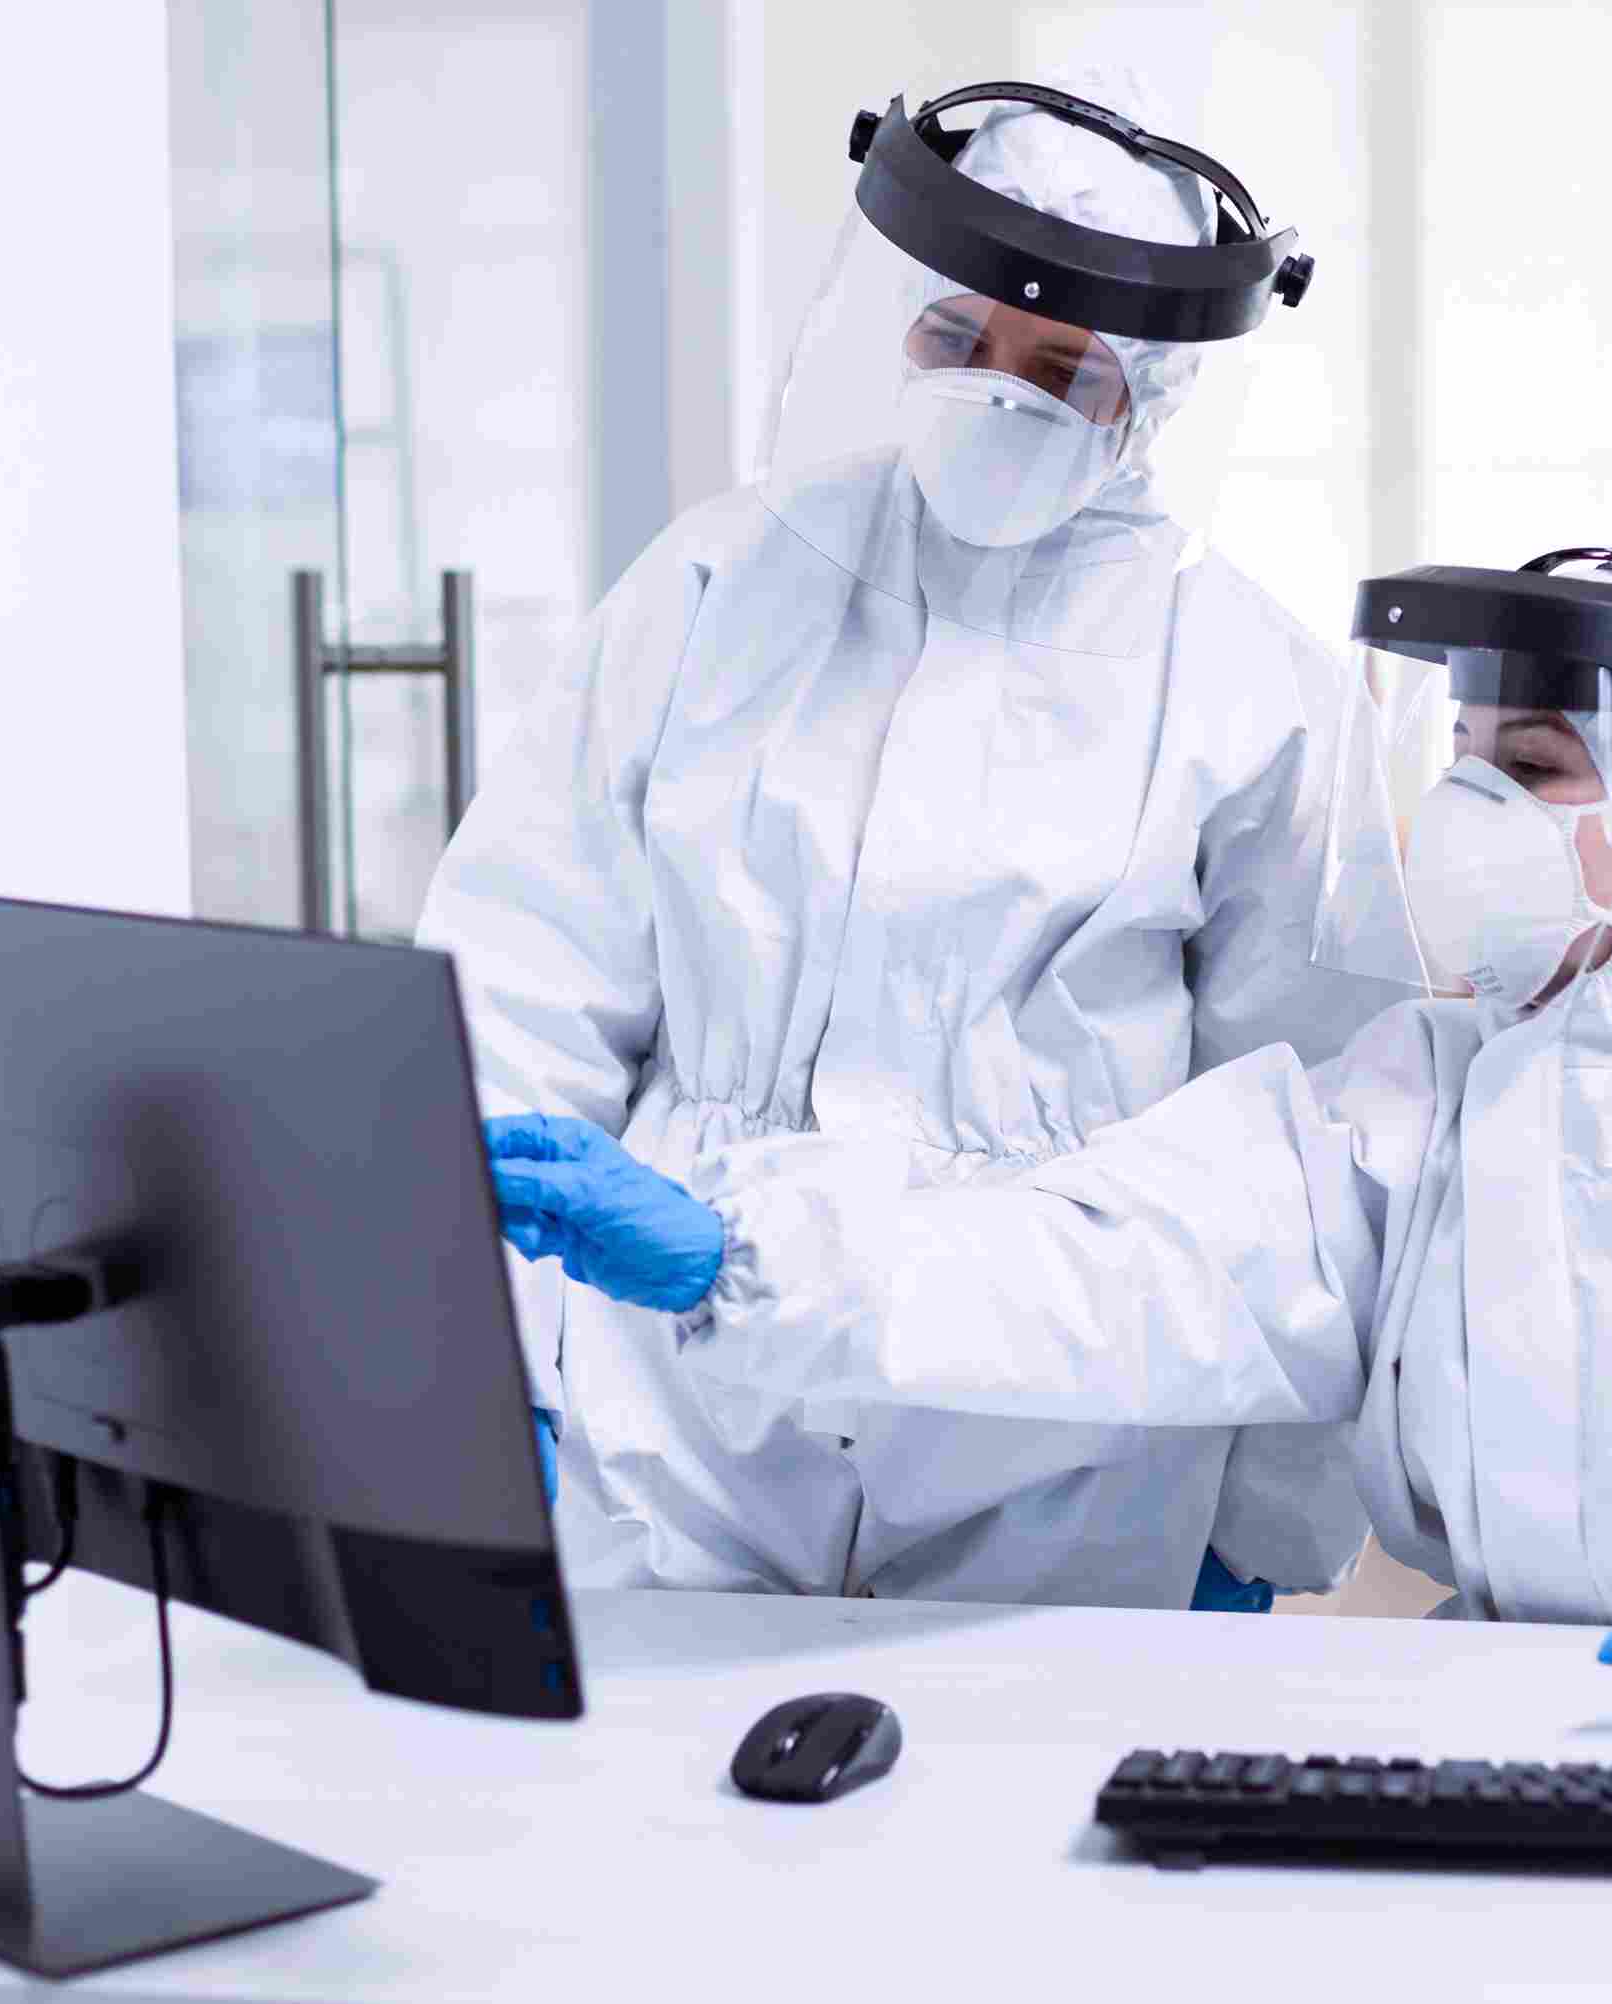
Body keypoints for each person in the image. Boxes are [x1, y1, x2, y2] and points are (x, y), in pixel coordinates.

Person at [490, 542, 1612, 1743]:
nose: (1470, 808)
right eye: (1462, 761)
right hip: (1521, 1720)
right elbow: (1110, 1254)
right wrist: (741, 1254)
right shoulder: (1422, 1099)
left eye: (1535, 771)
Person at [418, 70, 1420, 1611]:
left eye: (1061, 367)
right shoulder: (720, 585)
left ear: (1150, 401)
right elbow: (519, 982)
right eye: (957, 339)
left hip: (1064, 1421)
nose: (995, 390)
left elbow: (1315, 1132)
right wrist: (483, 1367)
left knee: (1006, 1827)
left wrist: (1261, 1527)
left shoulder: (1246, 684)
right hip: (678, 1396)